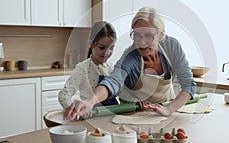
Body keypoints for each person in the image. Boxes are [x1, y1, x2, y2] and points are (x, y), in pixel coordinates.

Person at [64, 7, 196, 120]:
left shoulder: (172, 46)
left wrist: (169, 109)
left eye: (148, 36)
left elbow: (188, 84)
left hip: (167, 111)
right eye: (137, 35)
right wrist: (90, 101)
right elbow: (113, 81)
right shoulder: (130, 56)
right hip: (135, 114)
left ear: (161, 35)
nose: (141, 42)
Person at [58, 21, 119, 109]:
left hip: (113, 116)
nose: (107, 52)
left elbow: (122, 94)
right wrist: (72, 110)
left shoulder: (112, 69)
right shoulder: (82, 69)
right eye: (102, 47)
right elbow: (63, 95)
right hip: (92, 117)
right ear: (91, 44)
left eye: (111, 47)